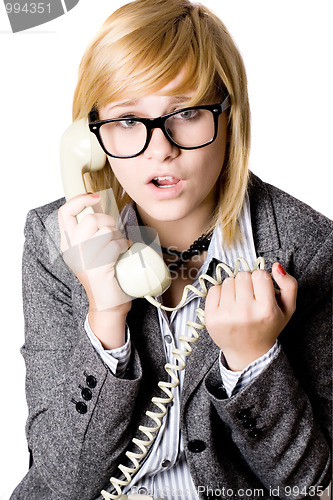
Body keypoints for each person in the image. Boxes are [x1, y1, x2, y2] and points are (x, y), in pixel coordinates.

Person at [11, 0, 332, 499]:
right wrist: (106, 314)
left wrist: (253, 361)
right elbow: (58, 485)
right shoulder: (54, 239)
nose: (160, 148)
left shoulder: (307, 247)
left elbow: (313, 486)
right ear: (88, 137)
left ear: (230, 117)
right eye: (126, 120)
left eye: (186, 113)